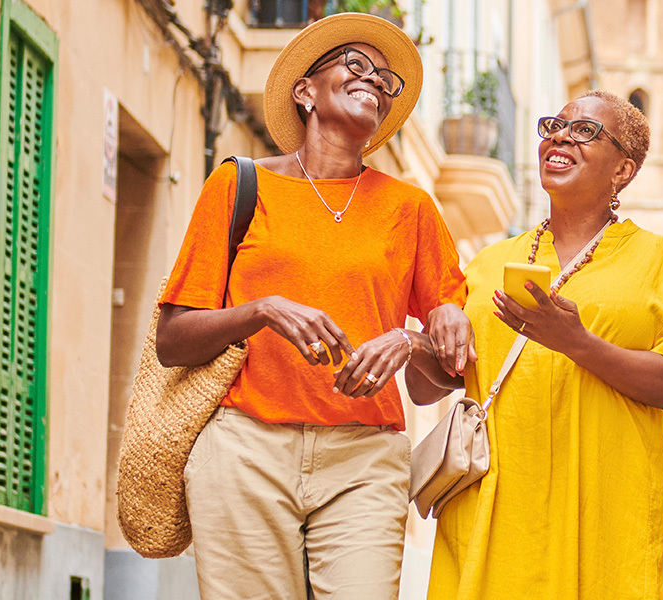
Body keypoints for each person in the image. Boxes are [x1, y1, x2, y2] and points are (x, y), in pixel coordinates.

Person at [153, 13, 472, 599]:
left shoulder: (411, 209)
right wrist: (262, 310)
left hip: (365, 458)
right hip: (246, 449)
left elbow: (439, 382)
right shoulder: (238, 186)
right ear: (305, 91)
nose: (375, 80)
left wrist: (409, 340)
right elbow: (172, 341)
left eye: (385, 79)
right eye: (356, 65)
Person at [424, 91, 663, 599]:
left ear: (623, 171)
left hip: (600, 524)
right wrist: (417, 341)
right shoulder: (488, 263)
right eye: (555, 125)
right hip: (492, 519)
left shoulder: (657, 261)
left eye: (584, 131)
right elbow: (436, 384)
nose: (559, 136)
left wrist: (577, 343)